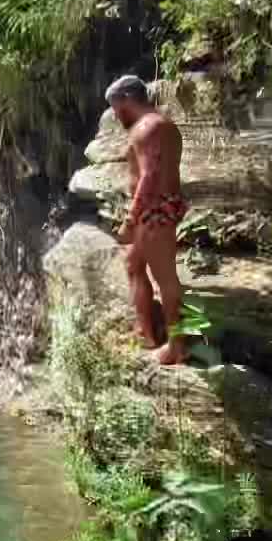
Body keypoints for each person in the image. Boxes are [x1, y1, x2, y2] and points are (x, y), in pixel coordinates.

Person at [105, 74, 188, 365]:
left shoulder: (147, 128)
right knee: (133, 263)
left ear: (127, 99)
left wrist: (130, 220)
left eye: (115, 107)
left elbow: (150, 176)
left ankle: (177, 346)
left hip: (154, 212)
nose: (115, 115)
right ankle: (146, 332)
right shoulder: (160, 124)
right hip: (157, 209)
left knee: (167, 280)